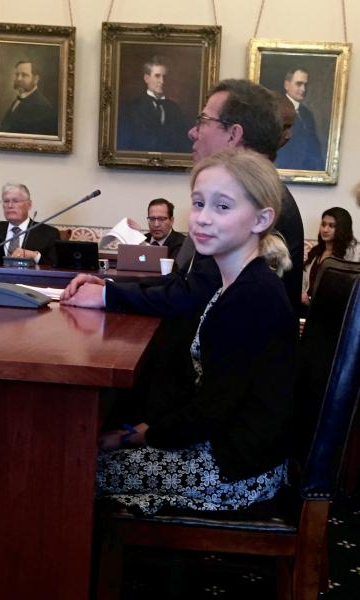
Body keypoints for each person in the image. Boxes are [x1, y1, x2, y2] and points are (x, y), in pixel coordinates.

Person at [85, 149, 296, 515]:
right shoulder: (232, 283)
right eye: (198, 204)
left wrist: (137, 435)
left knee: (78, 469)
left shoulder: (252, 296)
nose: (203, 218)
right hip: (225, 448)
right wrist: (144, 430)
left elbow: (210, 412)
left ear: (261, 219)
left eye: (223, 207)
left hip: (236, 470)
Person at [63, 79, 304, 318]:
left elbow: (197, 296)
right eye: (199, 204)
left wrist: (108, 296)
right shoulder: (245, 195)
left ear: (233, 135)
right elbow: (184, 280)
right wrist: (110, 287)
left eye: (203, 121)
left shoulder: (263, 203)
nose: (191, 132)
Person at [117, 55, 190, 153]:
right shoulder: (132, 108)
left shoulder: (174, 109)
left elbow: (182, 144)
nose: (162, 81)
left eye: (165, 77)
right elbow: (124, 146)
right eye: (157, 76)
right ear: (147, 78)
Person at [0, 183, 60, 265]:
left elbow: (56, 266)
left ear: (29, 205)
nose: (10, 205)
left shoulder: (49, 234)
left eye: (15, 201)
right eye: (6, 201)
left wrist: (34, 256)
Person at [302, 207, 358, 308]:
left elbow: (345, 291)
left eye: (331, 226)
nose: (325, 229)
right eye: (323, 224)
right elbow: (304, 282)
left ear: (342, 229)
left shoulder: (350, 255)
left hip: (332, 311)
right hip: (308, 308)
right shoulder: (315, 252)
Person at [275, 68, 324, 171]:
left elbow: (314, 147)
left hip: (306, 171)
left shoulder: (307, 114)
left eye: (305, 85)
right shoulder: (276, 109)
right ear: (287, 85)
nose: (303, 89)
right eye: (299, 84)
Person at [0, 60, 57, 135]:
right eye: (17, 75)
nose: (19, 79)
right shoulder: (19, 99)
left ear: (35, 79)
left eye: (24, 75)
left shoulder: (42, 107)